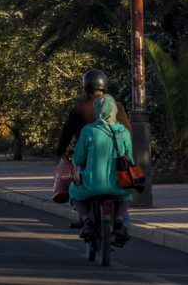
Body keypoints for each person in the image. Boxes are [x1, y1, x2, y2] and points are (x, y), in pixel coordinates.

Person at [68, 94, 133, 246]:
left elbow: (77, 160)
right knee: (126, 197)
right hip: (117, 186)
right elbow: (131, 160)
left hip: (91, 185)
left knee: (73, 191)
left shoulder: (88, 131)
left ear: (97, 110)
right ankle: (118, 222)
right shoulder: (124, 132)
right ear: (114, 110)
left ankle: (86, 220)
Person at [55, 69, 131, 159]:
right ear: (104, 86)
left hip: (88, 159)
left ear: (86, 87)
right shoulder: (117, 107)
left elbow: (66, 135)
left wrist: (60, 151)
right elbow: (129, 133)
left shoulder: (79, 109)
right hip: (115, 159)